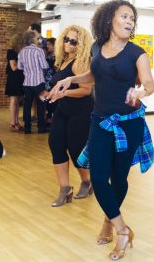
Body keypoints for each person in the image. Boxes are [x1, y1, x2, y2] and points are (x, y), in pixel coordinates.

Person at [50, 0, 154, 261]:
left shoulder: (136, 53)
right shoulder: (97, 48)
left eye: (132, 18)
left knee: (118, 179)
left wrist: (139, 91)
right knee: (98, 178)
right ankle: (122, 229)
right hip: (99, 120)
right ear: (109, 19)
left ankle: (109, 220)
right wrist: (70, 78)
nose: (130, 21)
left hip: (128, 123)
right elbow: (95, 76)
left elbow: (149, 84)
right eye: (124, 16)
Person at [42, 27, 94, 207]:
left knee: (76, 149)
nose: (68, 43)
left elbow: (86, 91)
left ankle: (87, 182)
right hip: (63, 110)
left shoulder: (81, 62)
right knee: (55, 144)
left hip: (81, 111)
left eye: (73, 41)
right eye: (66, 39)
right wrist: (53, 92)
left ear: (81, 45)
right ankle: (65, 189)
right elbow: (61, 85)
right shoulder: (63, 60)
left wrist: (64, 94)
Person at [18, 31, 49, 134]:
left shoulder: (22, 51)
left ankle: (27, 128)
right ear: (33, 39)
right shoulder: (38, 51)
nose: (38, 39)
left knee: (27, 106)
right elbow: (45, 66)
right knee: (40, 105)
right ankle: (41, 128)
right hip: (39, 82)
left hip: (27, 83)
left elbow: (19, 67)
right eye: (37, 38)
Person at [5, 33, 26, 131]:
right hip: (14, 79)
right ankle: (12, 122)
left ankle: (16, 121)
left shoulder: (20, 52)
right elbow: (13, 67)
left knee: (18, 102)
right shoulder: (11, 52)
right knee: (14, 101)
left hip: (20, 78)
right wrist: (24, 63)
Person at [44, 37, 57, 124]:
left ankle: (52, 118)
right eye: (47, 44)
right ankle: (49, 117)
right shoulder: (47, 55)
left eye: (49, 44)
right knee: (48, 100)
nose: (47, 46)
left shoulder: (57, 56)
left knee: (53, 100)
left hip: (54, 81)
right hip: (47, 81)